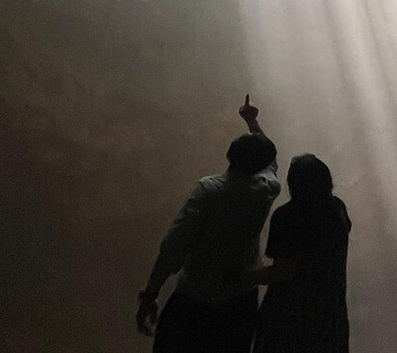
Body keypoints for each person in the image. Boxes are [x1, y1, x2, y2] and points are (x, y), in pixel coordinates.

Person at [136, 94, 280, 353]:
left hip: (195, 299)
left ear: (230, 155)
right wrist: (253, 121)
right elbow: (271, 160)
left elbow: (173, 246)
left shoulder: (208, 191)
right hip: (239, 304)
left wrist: (150, 294)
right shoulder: (265, 190)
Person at [242, 154, 352, 353]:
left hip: (291, 318)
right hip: (330, 312)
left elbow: (283, 271)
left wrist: (243, 277)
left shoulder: (287, 217)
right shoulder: (338, 210)